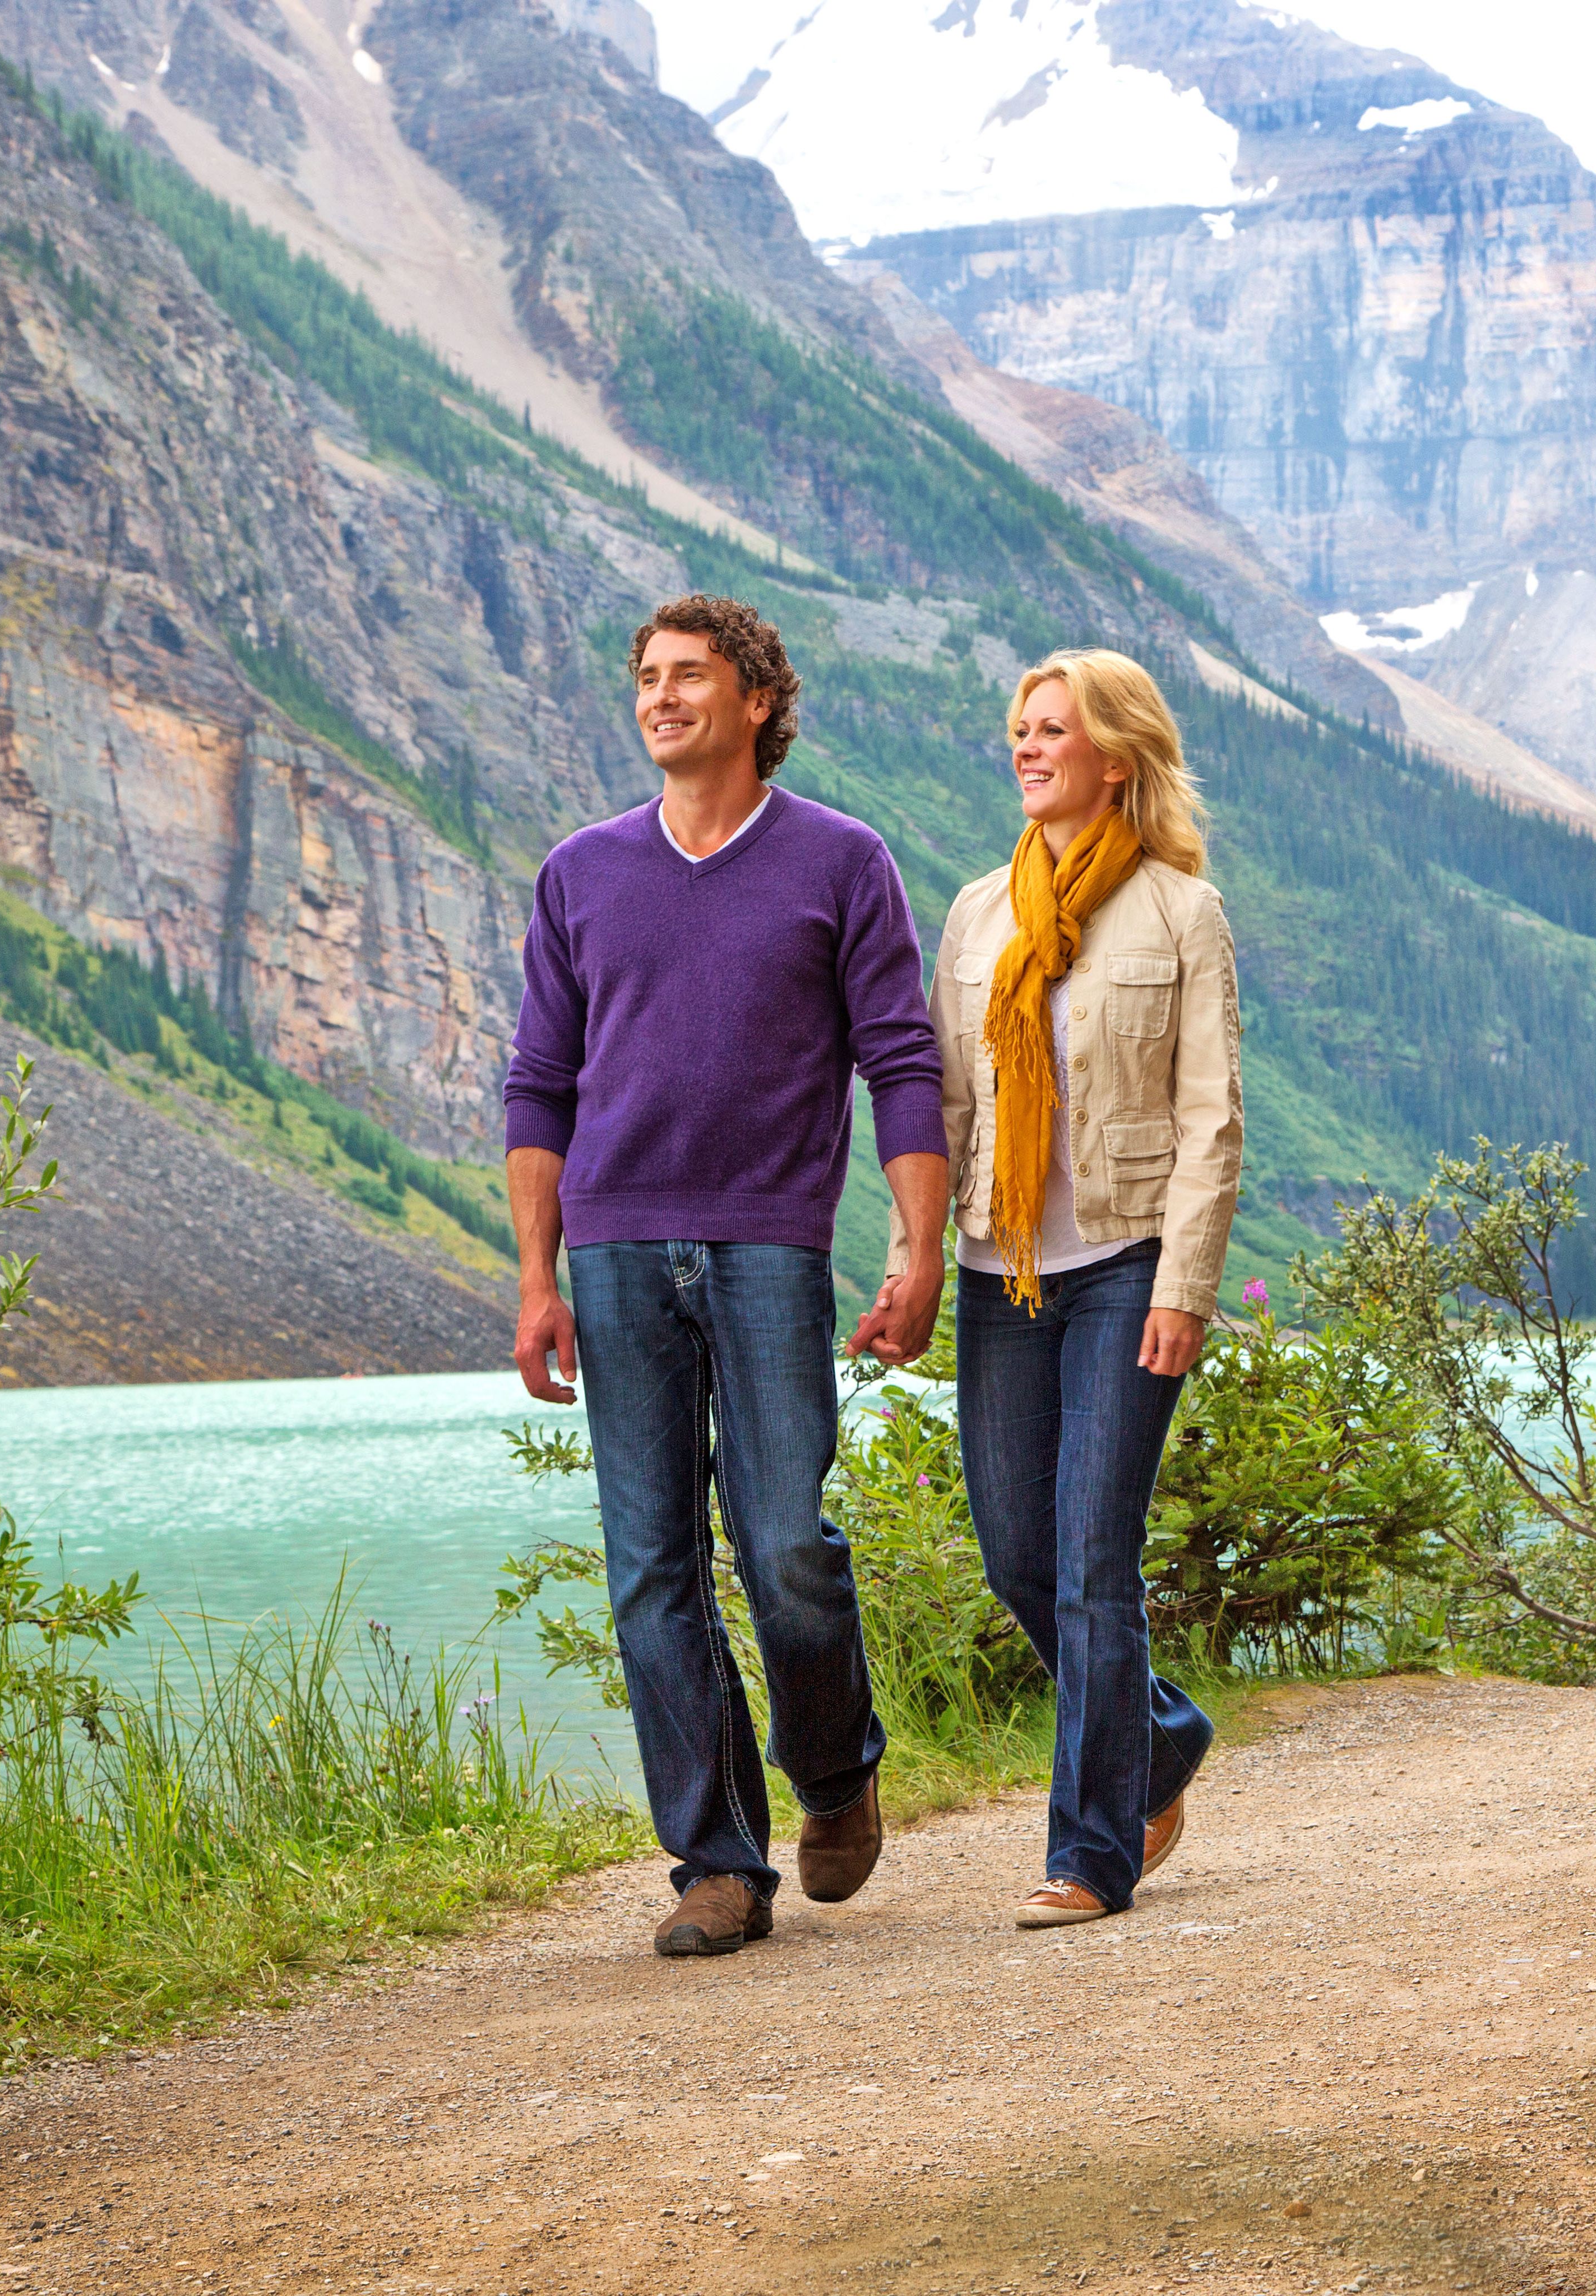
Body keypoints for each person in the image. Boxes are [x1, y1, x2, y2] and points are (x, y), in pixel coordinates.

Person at [505, 593, 950, 1961]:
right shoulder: (581, 872)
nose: (659, 696)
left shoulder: (841, 859)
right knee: (650, 1572)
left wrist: (917, 1247)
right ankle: (716, 1859)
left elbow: (902, 1063)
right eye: (645, 676)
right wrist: (538, 1276)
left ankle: (834, 1767)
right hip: (618, 1252)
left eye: (689, 675)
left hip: (772, 1247)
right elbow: (538, 1085)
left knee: (787, 1548)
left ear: (757, 698)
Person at [878, 648, 1243, 1927]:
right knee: (1016, 1551)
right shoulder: (981, 912)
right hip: (999, 1271)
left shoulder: (1181, 913)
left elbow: (1212, 1120)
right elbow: (945, 1105)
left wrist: (1185, 1283)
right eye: (1020, 729)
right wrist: (910, 1258)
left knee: (1094, 1557)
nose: (1027, 748)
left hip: (1128, 1266)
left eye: (1053, 730)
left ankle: (1091, 1851)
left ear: (1117, 756)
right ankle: (1164, 1732)